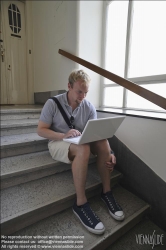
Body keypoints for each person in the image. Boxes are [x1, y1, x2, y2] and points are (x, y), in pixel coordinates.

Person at [37, 69, 124, 235]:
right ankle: (81, 203)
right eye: (79, 91)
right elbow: (41, 130)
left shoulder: (88, 106)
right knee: (84, 148)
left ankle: (107, 192)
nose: (83, 96)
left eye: (86, 92)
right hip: (58, 142)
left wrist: (110, 152)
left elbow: (97, 133)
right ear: (69, 86)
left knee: (104, 141)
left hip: (79, 142)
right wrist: (63, 135)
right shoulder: (52, 103)